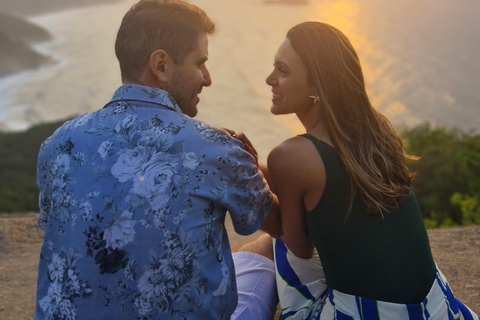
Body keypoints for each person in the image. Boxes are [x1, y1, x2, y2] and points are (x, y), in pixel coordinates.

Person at [34, 1, 280, 319]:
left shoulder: (57, 145)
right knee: (266, 249)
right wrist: (248, 164)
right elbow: (280, 225)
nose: (207, 78)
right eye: (200, 63)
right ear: (161, 65)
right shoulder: (215, 149)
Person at [264, 21, 479, 319]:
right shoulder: (377, 130)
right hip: (435, 307)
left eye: (283, 70)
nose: (269, 79)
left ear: (318, 85)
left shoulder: (290, 155)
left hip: (366, 314)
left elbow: (298, 247)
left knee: (273, 243)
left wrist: (247, 186)